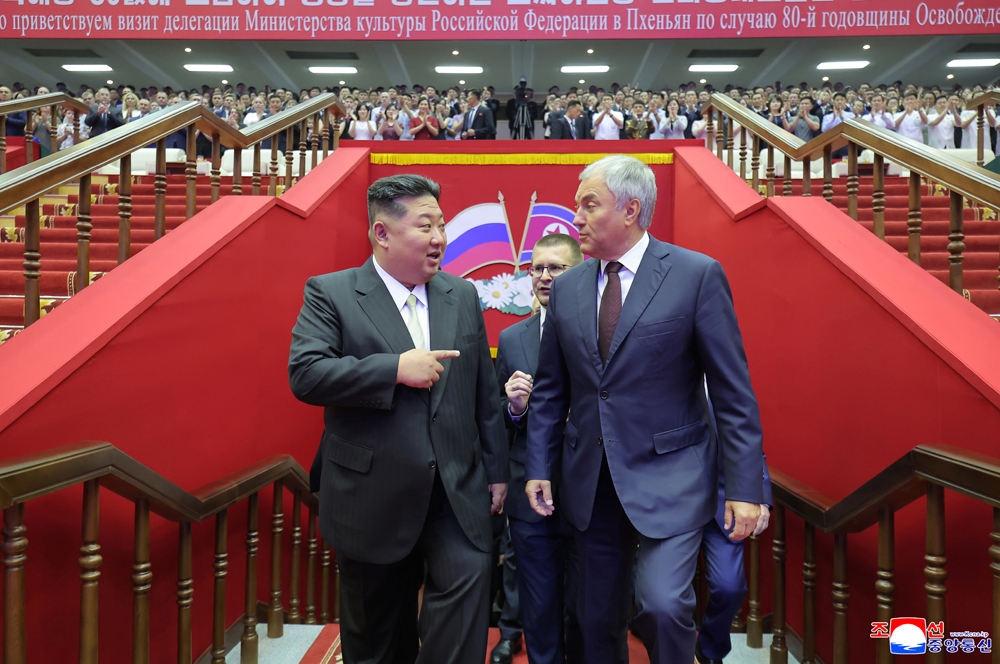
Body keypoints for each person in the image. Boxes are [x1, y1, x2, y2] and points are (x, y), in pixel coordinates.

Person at [524, 155, 764, 664]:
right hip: (590, 478)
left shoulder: (695, 275)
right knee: (594, 619)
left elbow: (732, 393)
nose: (576, 217)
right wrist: (539, 466)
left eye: (589, 205)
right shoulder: (566, 288)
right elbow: (550, 392)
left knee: (661, 604)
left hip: (672, 475)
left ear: (630, 210)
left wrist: (745, 489)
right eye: (576, 205)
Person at [289, 174, 509, 664]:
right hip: (371, 496)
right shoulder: (332, 293)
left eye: (442, 225)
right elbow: (306, 374)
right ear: (382, 233)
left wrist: (497, 473)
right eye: (426, 226)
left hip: (456, 492)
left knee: (464, 606)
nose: (440, 238)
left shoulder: (461, 294)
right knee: (378, 641)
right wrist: (393, 370)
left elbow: (483, 392)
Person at [492, 233, 585, 664]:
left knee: (587, 608)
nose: (545, 276)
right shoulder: (513, 338)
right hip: (528, 488)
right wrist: (513, 407)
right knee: (540, 608)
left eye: (556, 268)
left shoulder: (602, 329)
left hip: (589, 488)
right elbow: (494, 417)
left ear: (580, 272)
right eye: (537, 268)